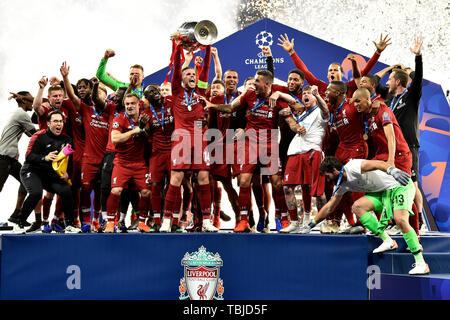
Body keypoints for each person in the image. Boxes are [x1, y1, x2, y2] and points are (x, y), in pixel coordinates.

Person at [297, 156, 429, 275]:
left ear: (335, 170)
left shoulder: (353, 166)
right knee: (357, 207)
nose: (327, 180)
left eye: (327, 176)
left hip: (399, 185)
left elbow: (377, 164)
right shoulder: (341, 185)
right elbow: (330, 207)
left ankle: (421, 263)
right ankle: (388, 241)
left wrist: (391, 170)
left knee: (400, 220)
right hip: (383, 193)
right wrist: (311, 225)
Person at [203, 70, 289, 233]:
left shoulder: (277, 98)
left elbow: (296, 107)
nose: (254, 84)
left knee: (276, 184)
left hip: (270, 143)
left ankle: (283, 219)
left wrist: (281, 97)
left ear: (267, 84)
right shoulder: (248, 96)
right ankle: (243, 220)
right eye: (254, 81)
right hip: (249, 143)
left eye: (257, 81)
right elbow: (230, 107)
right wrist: (213, 105)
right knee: (244, 181)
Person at [160, 37, 218, 233]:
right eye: (189, 74)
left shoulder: (201, 90)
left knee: (203, 179)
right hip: (181, 140)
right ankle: (167, 221)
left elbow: (207, 67)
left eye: (194, 73)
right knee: (175, 180)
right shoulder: (176, 91)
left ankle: (208, 221)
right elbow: (176, 66)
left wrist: (208, 44)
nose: (192, 76)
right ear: (182, 78)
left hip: (200, 141)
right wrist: (177, 46)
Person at [60, 61, 116, 232]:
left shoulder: (111, 112)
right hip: (88, 158)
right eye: (96, 94)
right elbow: (72, 95)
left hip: (105, 158)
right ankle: (85, 221)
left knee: (101, 191)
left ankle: (98, 220)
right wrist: (65, 77)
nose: (97, 97)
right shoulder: (85, 110)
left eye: (101, 94)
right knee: (85, 188)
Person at [13, 110, 80, 234]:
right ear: (48, 123)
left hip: (49, 175)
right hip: (32, 170)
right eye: (55, 121)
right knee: (36, 193)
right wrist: (45, 157)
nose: (59, 124)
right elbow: (29, 157)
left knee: (66, 190)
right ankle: (19, 223)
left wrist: (67, 174)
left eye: (60, 121)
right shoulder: (39, 136)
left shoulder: (67, 140)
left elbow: (69, 161)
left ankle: (70, 225)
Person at [279, 85, 329, 233]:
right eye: (304, 93)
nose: (306, 95)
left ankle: (324, 222)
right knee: (287, 188)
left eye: (309, 93)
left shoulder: (320, 112)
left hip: (313, 151)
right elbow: (283, 112)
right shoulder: (300, 115)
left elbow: (326, 110)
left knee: (319, 192)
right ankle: (294, 222)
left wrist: (318, 95)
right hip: (295, 152)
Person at [277, 33, 391, 98]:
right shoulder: (320, 86)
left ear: (342, 74)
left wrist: (378, 52)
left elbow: (365, 72)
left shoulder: (350, 86)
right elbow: (304, 72)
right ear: (327, 75)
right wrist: (292, 52)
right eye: (330, 70)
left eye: (335, 70)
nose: (332, 72)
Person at [105, 93, 151, 233]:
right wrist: (135, 130)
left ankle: (142, 222)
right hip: (122, 162)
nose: (130, 106)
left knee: (146, 192)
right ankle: (110, 222)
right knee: (116, 190)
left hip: (139, 163)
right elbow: (115, 139)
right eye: (127, 104)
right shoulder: (120, 119)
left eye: (132, 103)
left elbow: (149, 136)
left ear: (138, 105)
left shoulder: (145, 118)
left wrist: (144, 129)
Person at [1, 92, 37, 231]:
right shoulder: (21, 114)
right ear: (23, 101)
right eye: (30, 100)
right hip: (3, 158)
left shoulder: (19, 115)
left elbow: (29, 134)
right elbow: (35, 134)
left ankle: (16, 214)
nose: (32, 105)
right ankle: (17, 213)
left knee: (26, 181)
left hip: (10, 159)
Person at [142, 84, 175, 232]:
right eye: (150, 93)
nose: (154, 93)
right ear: (147, 98)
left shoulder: (170, 102)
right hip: (157, 153)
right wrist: (143, 127)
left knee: (174, 186)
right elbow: (147, 135)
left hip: (174, 150)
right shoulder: (147, 113)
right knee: (155, 186)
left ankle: (174, 222)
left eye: (155, 90)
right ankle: (156, 221)